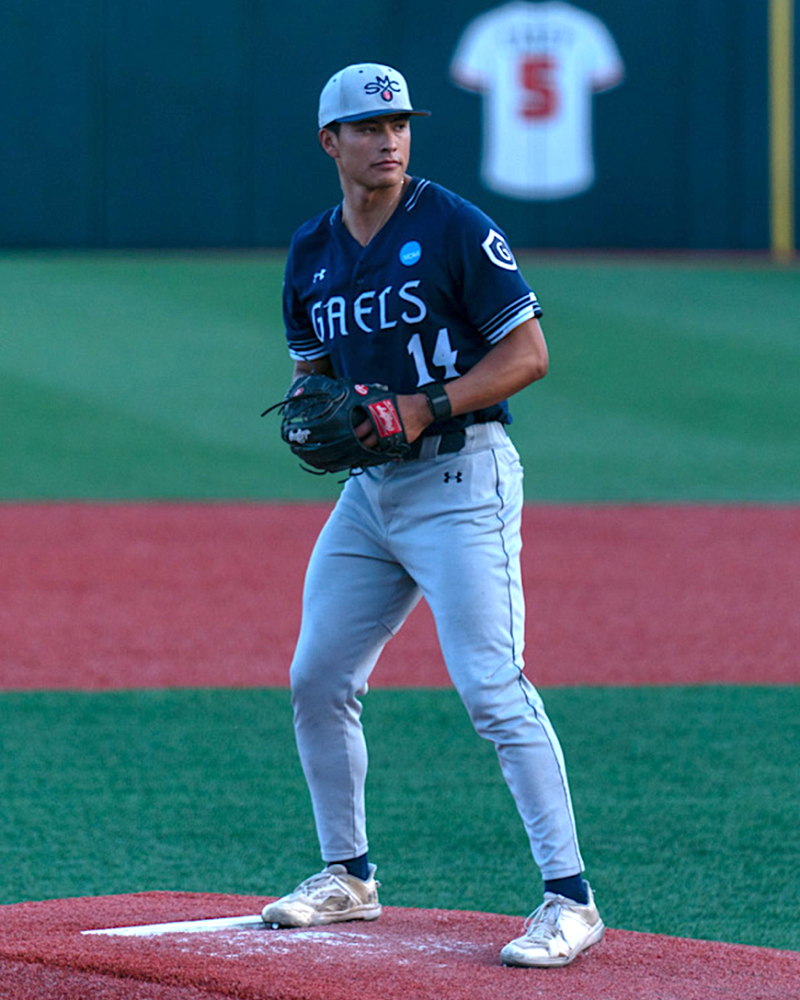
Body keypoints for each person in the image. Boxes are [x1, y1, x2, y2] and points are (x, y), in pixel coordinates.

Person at [261, 62, 605, 968]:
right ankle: (349, 877)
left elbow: (527, 354)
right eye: (369, 128)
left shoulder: (454, 226)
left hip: (462, 483)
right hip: (371, 496)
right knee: (317, 676)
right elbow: (316, 375)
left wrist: (423, 406)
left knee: (492, 687)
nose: (390, 140)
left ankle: (570, 899)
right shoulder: (311, 250)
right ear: (330, 142)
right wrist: (312, 406)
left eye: (401, 124)